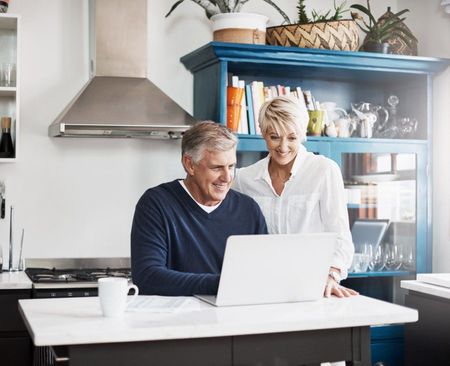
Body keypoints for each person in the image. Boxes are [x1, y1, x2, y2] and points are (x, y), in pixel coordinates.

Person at [233, 96, 358, 298]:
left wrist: (332, 275)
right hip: (262, 287)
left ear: (302, 134)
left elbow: (341, 236)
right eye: (274, 137)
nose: (283, 147)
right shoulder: (244, 178)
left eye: (291, 138)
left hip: (313, 286)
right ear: (263, 133)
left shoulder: (324, 170)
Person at [131, 121, 268, 296]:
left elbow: (263, 274)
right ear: (189, 164)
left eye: (232, 166)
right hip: (177, 320)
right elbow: (148, 277)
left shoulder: (249, 210)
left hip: (235, 317)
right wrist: (222, 284)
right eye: (217, 167)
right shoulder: (156, 204)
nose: (227, 177)